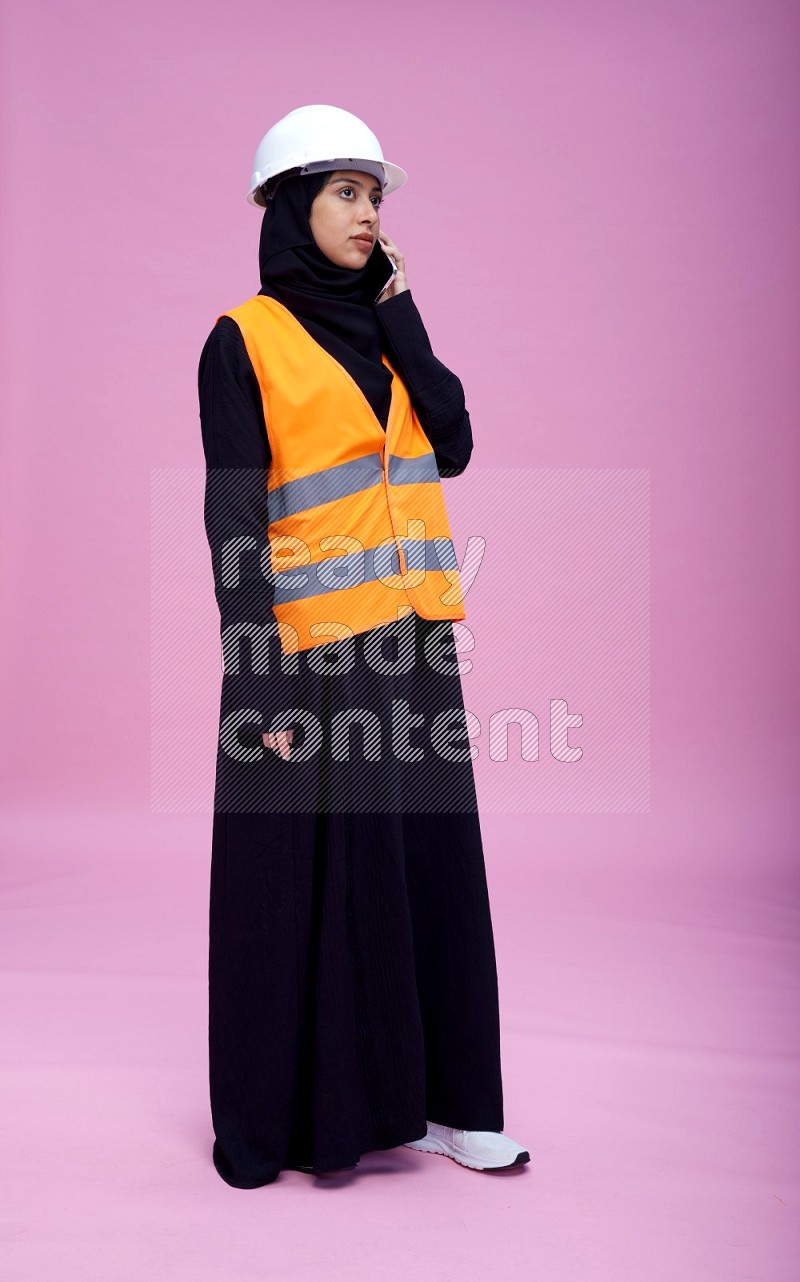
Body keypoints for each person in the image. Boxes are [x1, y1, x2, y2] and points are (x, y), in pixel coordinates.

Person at [198, 104, 529, 1186]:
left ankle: (450, 1103)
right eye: (344, 191)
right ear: (292, 204)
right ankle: (295, 1119)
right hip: (309, 655)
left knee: (429, 874)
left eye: (373, 195)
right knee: (307, 888)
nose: (366, 211)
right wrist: (260, 685)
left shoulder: (386, 329)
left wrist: (403, 315)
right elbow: (235, 524)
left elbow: (459, 443)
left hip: (414, 642)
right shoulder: (241, 339)